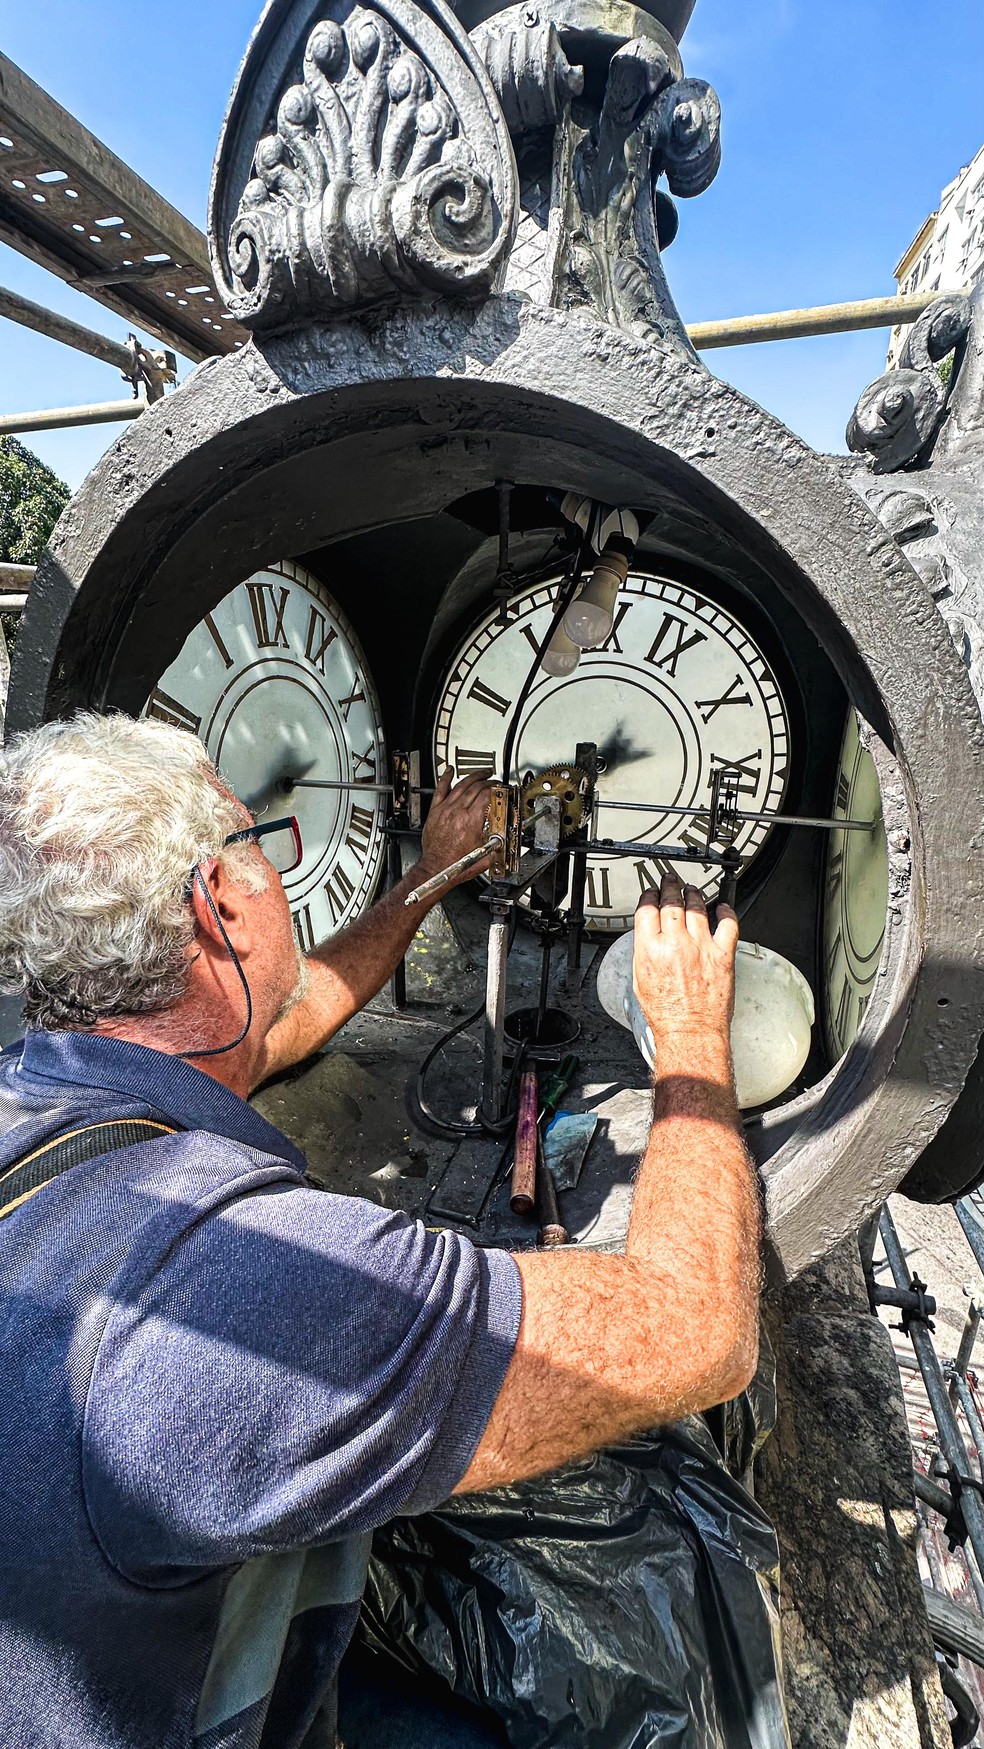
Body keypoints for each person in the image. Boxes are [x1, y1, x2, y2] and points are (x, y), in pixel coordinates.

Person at [0, 711, 761, 1749]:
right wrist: (690, 1038)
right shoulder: (242, 1286)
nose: (269, 866)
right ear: (219, 900)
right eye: (254, 843)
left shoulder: (46, 1096)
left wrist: (433, 877)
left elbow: (293, 1012)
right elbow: (699, 1330)